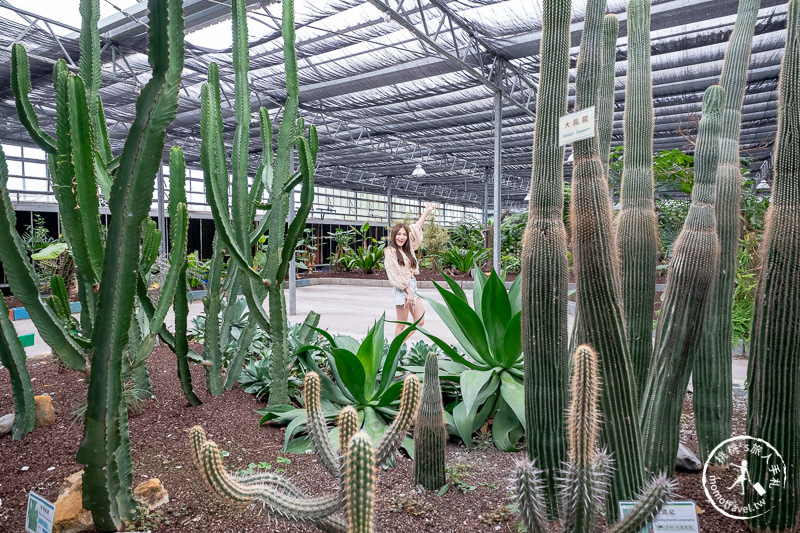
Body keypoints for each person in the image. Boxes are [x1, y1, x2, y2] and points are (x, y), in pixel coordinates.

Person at [385, 202, 436, 340]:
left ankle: (397, 345)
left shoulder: (409, 249)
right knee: (401, 325)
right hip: (403, 289)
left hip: (413, 286)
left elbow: (416, 228)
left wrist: (426, 211)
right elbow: (395, 274)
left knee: (420, 321)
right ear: (393, 236)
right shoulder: (390, 252)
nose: (401, 237)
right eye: (398, 234)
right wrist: (408, 292)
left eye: (404, 234)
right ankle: (395, 352)